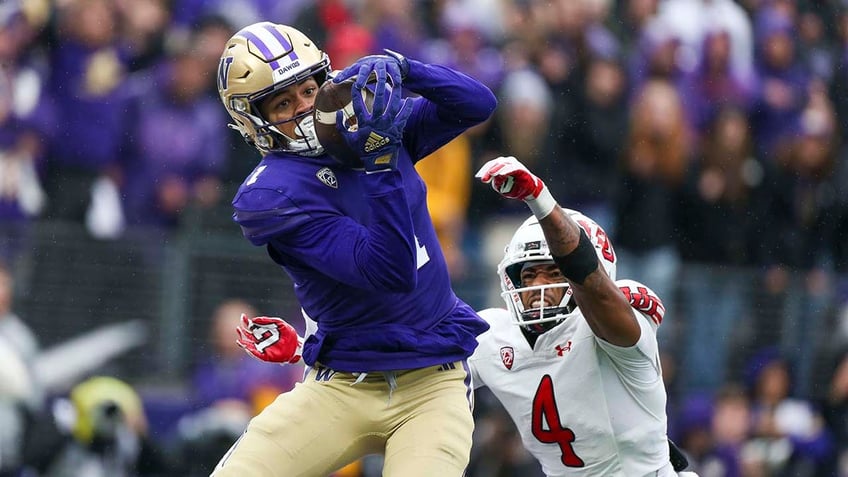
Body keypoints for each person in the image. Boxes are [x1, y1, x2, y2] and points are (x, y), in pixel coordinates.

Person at [212, 21, 496, 477]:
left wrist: (406, 70)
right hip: (342, 384)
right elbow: (390, 271)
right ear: (253, 121)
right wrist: (380, 161)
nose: (304, 109)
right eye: (283, 103)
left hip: (432, 382)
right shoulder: (272, 194)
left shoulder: (371, 128)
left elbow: (477, 103)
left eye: (308, 90)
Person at [469, 155, 697, 476]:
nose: (538, 286)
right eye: (529, 275)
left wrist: (539, 199)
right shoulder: (494, 333)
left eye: (552, 272)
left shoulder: (613, 315)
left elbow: (595, 289)